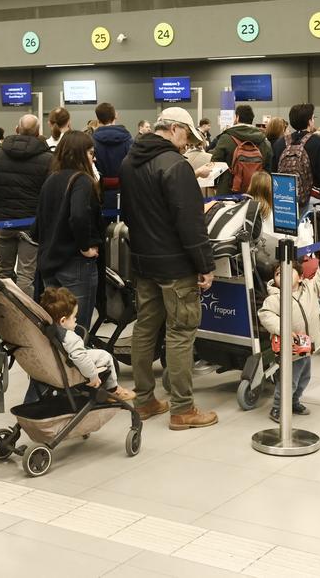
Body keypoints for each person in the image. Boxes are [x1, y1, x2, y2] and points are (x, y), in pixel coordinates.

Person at [119, 106, 216, 430]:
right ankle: (183, 409)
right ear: (174, 128)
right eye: (186, 136)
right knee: (181, 331)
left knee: (145, 328)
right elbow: (189, 222)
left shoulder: (129, 162)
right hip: (176, 265)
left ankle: (144, 399)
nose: (186, 144)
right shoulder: (176, 166)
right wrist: (205, 264)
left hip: (144, 262)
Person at [33, 131, 102, 330]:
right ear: (80, 154)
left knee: (55, 326)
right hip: (75, 263)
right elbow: (79, 215)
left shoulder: (51, 179)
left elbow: (39, 222)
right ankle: (77, 361)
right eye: (90, 152)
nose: (93, 157)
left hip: (49, 261)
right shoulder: (82, 180)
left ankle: (58, 362)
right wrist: (85, 246)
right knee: (77, 327)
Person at [0, 113, 52, 295]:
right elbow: (51, 195)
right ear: (38, 132)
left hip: (3, 222)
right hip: (32, 225)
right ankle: (27, 318)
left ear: (17, 130)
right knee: (27, 275)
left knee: (2, 273)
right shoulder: (48, 159)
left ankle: (4, 316)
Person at [259, 249, 320, 422]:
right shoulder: (274, 299)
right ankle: (277, 407)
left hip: (308, 345)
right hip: (289, 348)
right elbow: (266, 315)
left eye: (288, 271)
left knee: (305, 377)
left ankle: (294, 401)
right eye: (278, 273)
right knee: (289, 380)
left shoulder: (310, 288)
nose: (282, 275)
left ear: (299, 277)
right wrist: (282, 328)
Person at [39, 287, 135, 401]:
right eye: (74, 317)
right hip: (73, 366)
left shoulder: (48, 331)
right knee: (106, 357)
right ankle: (113, 390)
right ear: (63, 321)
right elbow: (80, 358)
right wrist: (93, 375)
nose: (75, 320)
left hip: (58, 363)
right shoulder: (70, 338)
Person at [271, 104, 320, 214]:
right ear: (309, 121)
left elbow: (273, 171)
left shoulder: (279, 143)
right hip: (311, 199)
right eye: (313, 118)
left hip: (283, 199)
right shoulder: (319, 142)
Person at [209, 104, 272, 194]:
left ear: (237, 117)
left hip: (228, 193)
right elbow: (268, 170)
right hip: (255, 192)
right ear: (251, 119)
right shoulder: (264, 141)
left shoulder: (225, 138)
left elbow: (215, 165)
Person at [92, 103, 133, 206]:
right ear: (116, 116)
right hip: (125, 194)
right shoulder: (129, 140)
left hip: (99, 194)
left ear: (98, 119)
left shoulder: (91, 141)